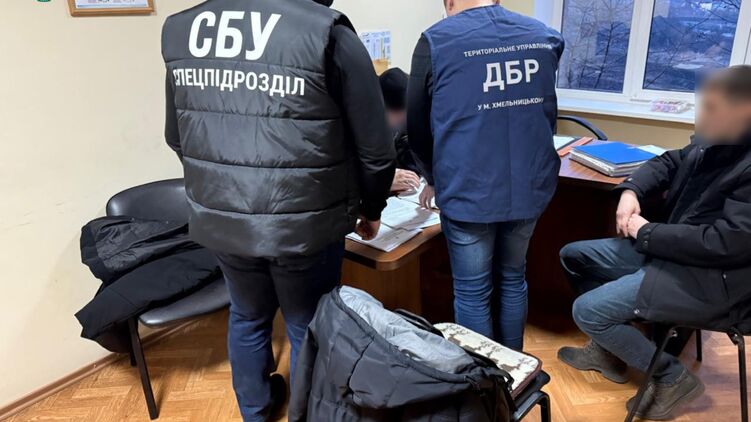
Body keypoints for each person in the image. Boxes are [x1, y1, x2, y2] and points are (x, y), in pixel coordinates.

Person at [161, 0, 395, 420]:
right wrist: (372, 207)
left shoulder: (184, 28)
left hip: (223, 217)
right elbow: (376, 150)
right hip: (304, 221)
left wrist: (223, 191)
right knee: (308, 322)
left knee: (247, 314)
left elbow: (177, 137)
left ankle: (255, 411)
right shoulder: (327, 31)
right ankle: (305, 413)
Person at [558, 65, 751, 420]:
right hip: (673, 252)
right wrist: (631, 190)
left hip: (713, 280)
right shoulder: (716, 139)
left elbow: (725, 243)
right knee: (574, 256)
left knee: (588, 311)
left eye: (711, 108)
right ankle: (609, 352)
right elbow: (670, 161)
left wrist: (645, 232)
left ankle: (671, 377)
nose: (700, 116)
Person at [407, 0, 564, 350]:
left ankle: (485, 377)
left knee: (472, 290)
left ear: (449, 3)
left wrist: (431, 177)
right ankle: (514, 367)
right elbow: (547, 114)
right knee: (513, 277)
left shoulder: (436, 40)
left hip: (468, 189)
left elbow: (416, 125)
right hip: (528, 186)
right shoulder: (543, 36)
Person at [379, 68, 421, 193]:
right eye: (397, 114)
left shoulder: (404, 119)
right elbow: (343, 177)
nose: (403, 119)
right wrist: (383, 181)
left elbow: (407, 147)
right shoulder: (356, 126)